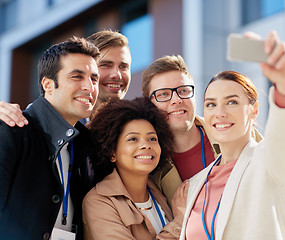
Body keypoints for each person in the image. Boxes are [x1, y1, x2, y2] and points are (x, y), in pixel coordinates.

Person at [142, 54, 285, 213]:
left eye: (184, 91)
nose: (176, 100)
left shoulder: (234, 131)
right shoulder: (150, 162)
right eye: (163, 94)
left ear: (194, 97)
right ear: (149, 105)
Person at [179, 31, 285, 239]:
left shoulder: (267, 160)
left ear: (254, 110)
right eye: (211, 104)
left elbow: (283, 135)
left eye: (232, 102)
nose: (220, 113)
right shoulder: (197, 183)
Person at [0, 37, 100, 239]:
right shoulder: (10, 129)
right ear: (48, 84)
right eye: (77, 77)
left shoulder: (87, 145)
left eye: (94, 79)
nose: (89, 87)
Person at [82, 97, 187, 239]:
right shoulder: (98, 202)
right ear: (112, 152)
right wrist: (180, 221)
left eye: (152, 139)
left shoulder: (159, 193)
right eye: (133, 139)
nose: (146, 145)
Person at [0, 29, 131, 127]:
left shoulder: (134, 126)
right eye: (106, 65)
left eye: (124, 66)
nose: (117, 74)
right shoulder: (28, 123)